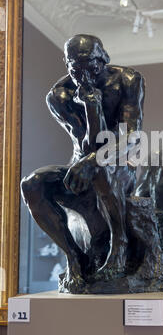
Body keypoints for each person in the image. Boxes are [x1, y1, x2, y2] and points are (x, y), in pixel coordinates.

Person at [21, 34, 145, 285]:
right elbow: (88, 144)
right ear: (66, 63)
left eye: (90, 64)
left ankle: (119, 244)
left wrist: (93, 160)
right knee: (32, 183)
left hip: (119, 163)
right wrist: (91, 105)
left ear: (104, 59)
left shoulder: (128, 80)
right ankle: (74, 258)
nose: (82, 72)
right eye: (74, 66)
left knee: (99, 166)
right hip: (80, 164)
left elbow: (132, 138)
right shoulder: (59, 95)